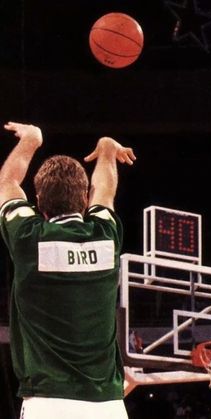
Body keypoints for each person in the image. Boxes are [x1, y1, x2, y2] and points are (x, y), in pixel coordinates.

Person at [0, 122, 136, 419]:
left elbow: (7, 182)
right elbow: (106, 190)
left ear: (38, 203)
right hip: (109, 407)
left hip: (48, 403)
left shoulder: (28, 237)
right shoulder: (105, 236)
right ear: (84, 199)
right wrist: (107, 150)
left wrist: (32, 139)